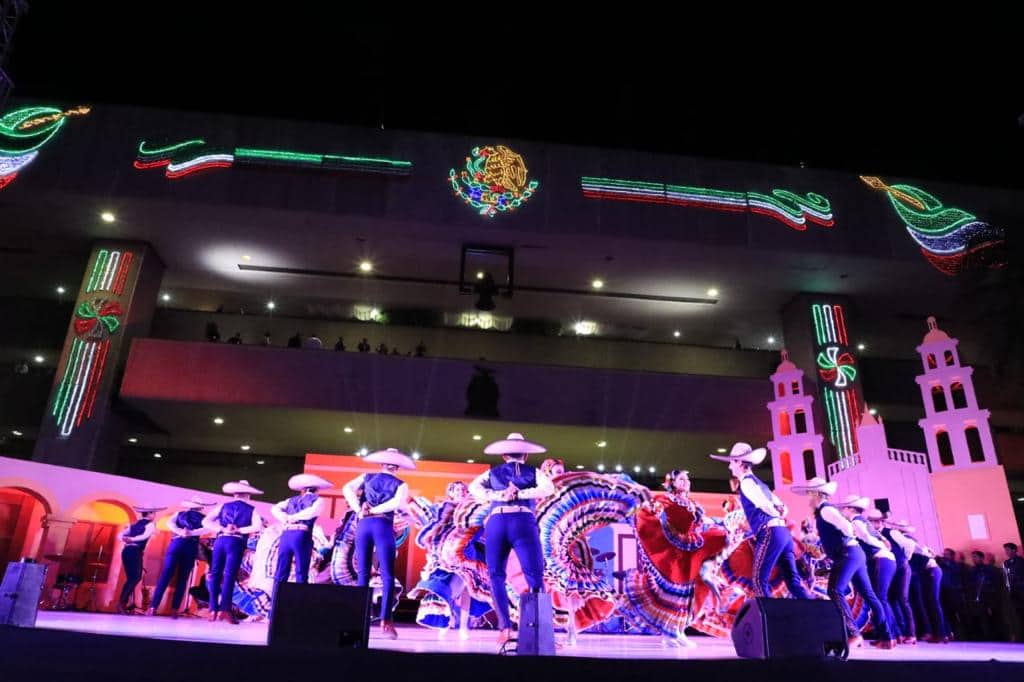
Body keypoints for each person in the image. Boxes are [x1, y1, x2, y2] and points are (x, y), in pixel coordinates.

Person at [469, 432, 553, 646]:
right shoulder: (533, 472)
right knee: (534, 575)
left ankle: (505, 627)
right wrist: (521, 493)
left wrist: (499, 495)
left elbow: (473, 489)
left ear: (505, 455)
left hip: (497, 522)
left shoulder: (493, 473)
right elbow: (548, 488)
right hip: (523, 521)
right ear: (525, 454)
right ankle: (538, 632)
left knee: (496, 574)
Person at [792, 478, 894, 649]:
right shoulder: (825, 512)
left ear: (817, 494)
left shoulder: (826, 510)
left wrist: (843, 538)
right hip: (854, 553)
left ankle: (854, 634)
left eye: (810, 494)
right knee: (869, 595)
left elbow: (847, 528)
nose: (808, 498)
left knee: (834, 590)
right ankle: (887, 637)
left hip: (848, 554)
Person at [709, 442, 810, 599]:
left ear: (739, 462)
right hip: (782, 533)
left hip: (770, 532)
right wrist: (779, 513)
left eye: (731, 462)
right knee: (792, 581)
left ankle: (771, 620)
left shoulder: (747, 482)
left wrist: (774, 513)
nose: (730, 467)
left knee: (759, 580)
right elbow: (782, 506)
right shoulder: (758, 482)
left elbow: (763, 504)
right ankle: (815, 612)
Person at [342, 448, 416, 639]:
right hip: (382, 525)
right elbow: (396, 504)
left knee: (364, 574)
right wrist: (369, 510)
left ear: (382, 463)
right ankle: (386, 621)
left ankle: (359, 619)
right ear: (397, 465)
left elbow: (346, 489)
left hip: (364, 525)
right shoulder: (401, 484)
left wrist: (360, 509)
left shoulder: (366, 477)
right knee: (387, 575)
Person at [202, 480, 264, 623]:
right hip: (235, 542)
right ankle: (225, 610)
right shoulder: (251, 509)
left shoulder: (223, 506)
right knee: (229, 575)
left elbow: (205, 521)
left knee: (215, 573)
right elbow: (258, 526)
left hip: (220, 541)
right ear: (248, 495)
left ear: (235, 494)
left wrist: (222, 529)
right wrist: (239, 529)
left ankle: (212, 610)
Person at [840, 498, 898, 647]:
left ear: (851, 509)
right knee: (881, 599)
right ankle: (891, 635)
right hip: (886, 559)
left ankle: (888, 637)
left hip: (881, 558)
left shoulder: (857, 522)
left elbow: (867, 537)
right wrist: (883, 545)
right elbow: (884, 541)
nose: (843, 511)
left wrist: (880, 547)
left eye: (845, 508)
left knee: (879, 598)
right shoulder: (864, 522)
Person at [148, 497, 212, 617]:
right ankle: (175, 610)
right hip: (191, 545)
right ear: (201, 507)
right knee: (183, 579)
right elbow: (207, 528)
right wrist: (191, 533)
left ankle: (153, 607)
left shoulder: (179, 513)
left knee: (165, 576)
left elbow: (170, 523)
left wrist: (180, 531)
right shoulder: (204, 518)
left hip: (176, 543)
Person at [271, 474, 332, 589]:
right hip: (301, 535)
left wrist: (286, 518)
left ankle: (275, 602)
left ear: (303, 490)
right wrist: (294, 517)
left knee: (281, 571)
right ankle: (299, 602)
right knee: (301, 570)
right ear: (317, 490)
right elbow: (311, 513)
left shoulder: (290, 500)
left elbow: (274, 509)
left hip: (286, 535)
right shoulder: (318, 500)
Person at [118, 505, 164, 614]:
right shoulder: (150, 524)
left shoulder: (135, 524)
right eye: (153, 513)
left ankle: (122, 603)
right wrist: (131, 539)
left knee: (132, 578)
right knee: (135, 577)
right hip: (134, 551)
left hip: (127, 551)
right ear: (149, 514)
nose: (154, 515)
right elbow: (145, 536)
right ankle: (121, 603)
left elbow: (121, 534)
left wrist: (124, 539)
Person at [938, 548, 968, 640]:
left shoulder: (957, 566)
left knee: (960, 615)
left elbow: (957, 571)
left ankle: (965, 635)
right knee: (949, 615)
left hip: (956, 593)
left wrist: (945, 562)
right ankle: (954, 635)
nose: (944, 556)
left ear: (952, 556)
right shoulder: (942, 566)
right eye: (944, 554)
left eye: (947, 554)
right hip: (945, 593)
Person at [1003, 542, 1024, 641]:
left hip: (1021, 590)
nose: (1006, 552)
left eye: (1008, 549)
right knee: (1017, 614)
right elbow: (1006, 577)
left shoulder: (1021, 561)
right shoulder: (1006, 563)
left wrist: (1015, 577)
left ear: (1014, 550)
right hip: (1013, 592)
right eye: (1005, 550)